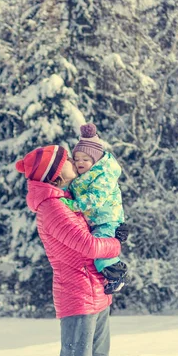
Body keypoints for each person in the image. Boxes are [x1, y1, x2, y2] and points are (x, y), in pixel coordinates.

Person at [15, 144, 129, 356]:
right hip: (78, 296)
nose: (73, 162)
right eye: (66, 159)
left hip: (96, 293)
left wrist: (112, 229)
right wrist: (117, 244)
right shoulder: (52, 208)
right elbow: (88, 245)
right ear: (56, 172)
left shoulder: (67, 200)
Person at [59, 123, 128, 294]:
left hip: (107, 219)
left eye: (86, 159)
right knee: (96, 251)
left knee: (99, 250)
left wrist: (71, 205)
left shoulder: (103, 176)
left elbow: (95, 199)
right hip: (97, 220)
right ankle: (110, 276)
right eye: (77, 158)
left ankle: (116, 275)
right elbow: (70, 189)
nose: (80, 162)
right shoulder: (83, 177)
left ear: (95, 160)